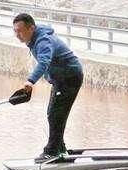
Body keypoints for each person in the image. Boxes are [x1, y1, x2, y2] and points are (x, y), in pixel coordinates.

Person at [13, 13, 84, 162]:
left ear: (31, 28)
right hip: (61, 79)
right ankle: (59, 148)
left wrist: (30, 81)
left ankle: (52, 151)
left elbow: (44, 62)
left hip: (69, 78)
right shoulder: (36, 38)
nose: (17, 35)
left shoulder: (43, 41)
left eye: (20, 31)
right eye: (15, 31)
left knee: (56, 114)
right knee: (53, 113)